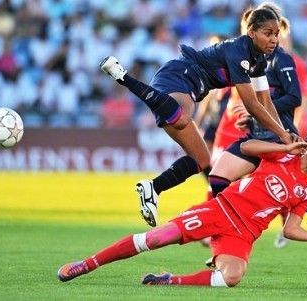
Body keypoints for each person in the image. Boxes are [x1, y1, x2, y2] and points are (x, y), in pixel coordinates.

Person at [57, 125, 307, 287]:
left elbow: (290, 229)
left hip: (244, 234)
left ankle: (169, 281)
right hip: (221, 210)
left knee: (231, 278)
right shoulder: (284, 152)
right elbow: (247, 148)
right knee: (154, 239)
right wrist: (285, 146)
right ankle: (88, 264)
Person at [99, 8, 295, 228]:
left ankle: (152, 188)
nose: (274, 39)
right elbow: (253, 105)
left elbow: (266, 102)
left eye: (277, 34)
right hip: (179, 75)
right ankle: (123, 77)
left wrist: (284, 134)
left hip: (190, 90)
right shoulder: (238, 51)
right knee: (181, 118)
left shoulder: (258, 60)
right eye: (268, 33)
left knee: (202, 159)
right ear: (251, 32)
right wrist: (282, 135)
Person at [207, 2, 307, 273]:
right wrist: (252, 116)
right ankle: (227, 235)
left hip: (279, 137)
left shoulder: (282, 59)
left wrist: (259, 110)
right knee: (219, 178)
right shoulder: (250, 59)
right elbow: (253, 98)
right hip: (257, 133)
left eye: (271, 31)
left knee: (302, 195)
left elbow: (294, 98)